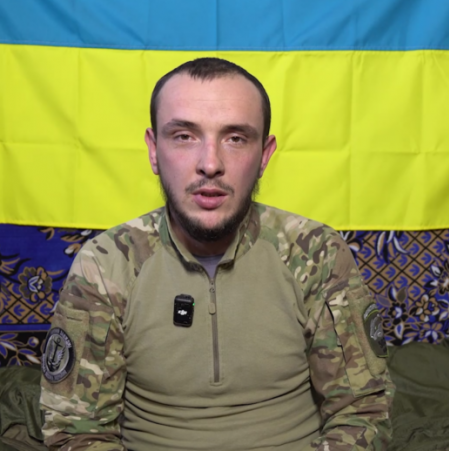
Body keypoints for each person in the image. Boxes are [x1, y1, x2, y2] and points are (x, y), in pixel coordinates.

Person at [39, 58, 393, 451]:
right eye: (184, 136)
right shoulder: (106, 264)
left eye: (236, 138)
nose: (210, 164)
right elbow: (77, 431)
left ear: (264, 155)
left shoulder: (316, 252)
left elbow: (363, 411)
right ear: (154, 150)